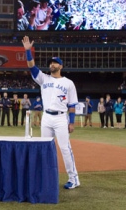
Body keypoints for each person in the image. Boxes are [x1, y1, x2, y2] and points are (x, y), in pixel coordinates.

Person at [22, 35, 80, 190]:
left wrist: (72, 122)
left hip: (61, 118)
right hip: (46, 117)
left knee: (65, 148)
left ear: (61, 66)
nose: (52, 64)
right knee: (44, 147)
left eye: (55, 63)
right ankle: (45, 176)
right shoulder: (43, 78)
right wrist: (28, 51)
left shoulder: (68, 83)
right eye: (51, 63)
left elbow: (72, 104)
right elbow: (31, 67)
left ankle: (73, 178)